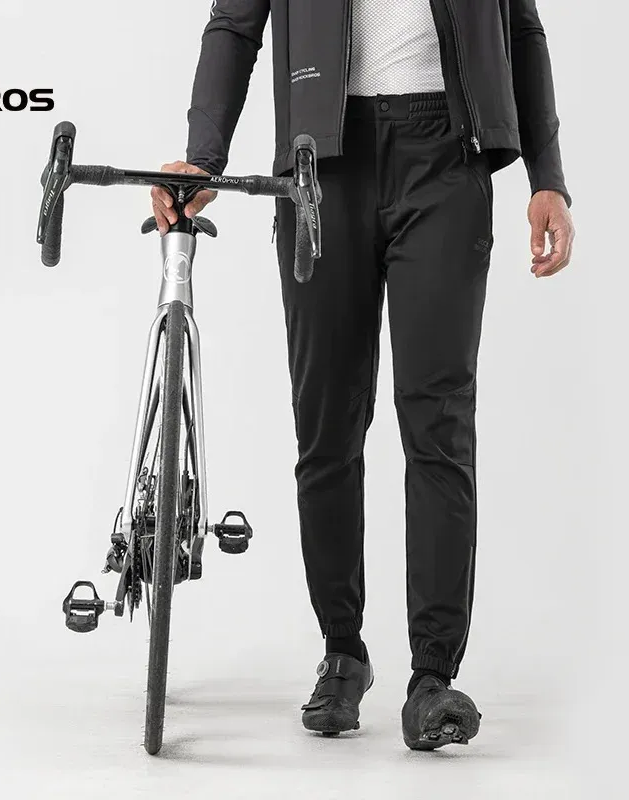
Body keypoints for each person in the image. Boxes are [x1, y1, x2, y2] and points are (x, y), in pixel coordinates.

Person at [150, 0, 574, 749]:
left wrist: (549, 177)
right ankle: (342, 652)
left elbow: (521, 28)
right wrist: (203, 157)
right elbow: (235, 24)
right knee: (326, 426)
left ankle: (433, 678)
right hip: (320, 164)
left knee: (438, 421)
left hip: (447, 156)